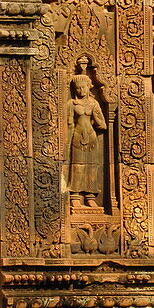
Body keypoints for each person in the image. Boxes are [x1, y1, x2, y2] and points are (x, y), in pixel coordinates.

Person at [67, 72, 106, 208]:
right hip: (77, 136)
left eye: (83, 87)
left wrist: (97, 119)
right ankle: (75, 196)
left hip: (91, 137)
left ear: (89, 87)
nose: (81, 90)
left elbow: (103, 124)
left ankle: (90, 196)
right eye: (78, 88)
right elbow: (68, 123)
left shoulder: (94, 104)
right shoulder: (72, 103)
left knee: (91, 167)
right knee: (77, 166)